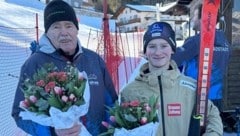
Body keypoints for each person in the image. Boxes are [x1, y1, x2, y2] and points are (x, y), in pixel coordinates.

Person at [11, 0, 118, 136]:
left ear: (76, 29)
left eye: (69, 26)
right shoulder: (35, 63)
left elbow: (112, 102)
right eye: (56, 27)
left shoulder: (93, 59)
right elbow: (20, 113)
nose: (64, 33)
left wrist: (111, 128)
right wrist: (52, 132)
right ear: (47, 32)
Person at [120, 22, 223, 136]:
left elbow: (212, 114)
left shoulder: (191, 87)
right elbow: (122, 127)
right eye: (152, 46)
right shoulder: (129, 91)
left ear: (173, 49)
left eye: (164, 46)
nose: (158, 52)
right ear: (145, 51)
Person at [172, 4, 230, 112]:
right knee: (213, 127)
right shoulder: (224, 41)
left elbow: (174, 59)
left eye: (194, 16)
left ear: (203, 19)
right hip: (217, 98)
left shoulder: (197, 41)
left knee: (196, 128)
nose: (192, 20)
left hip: (197, 98)